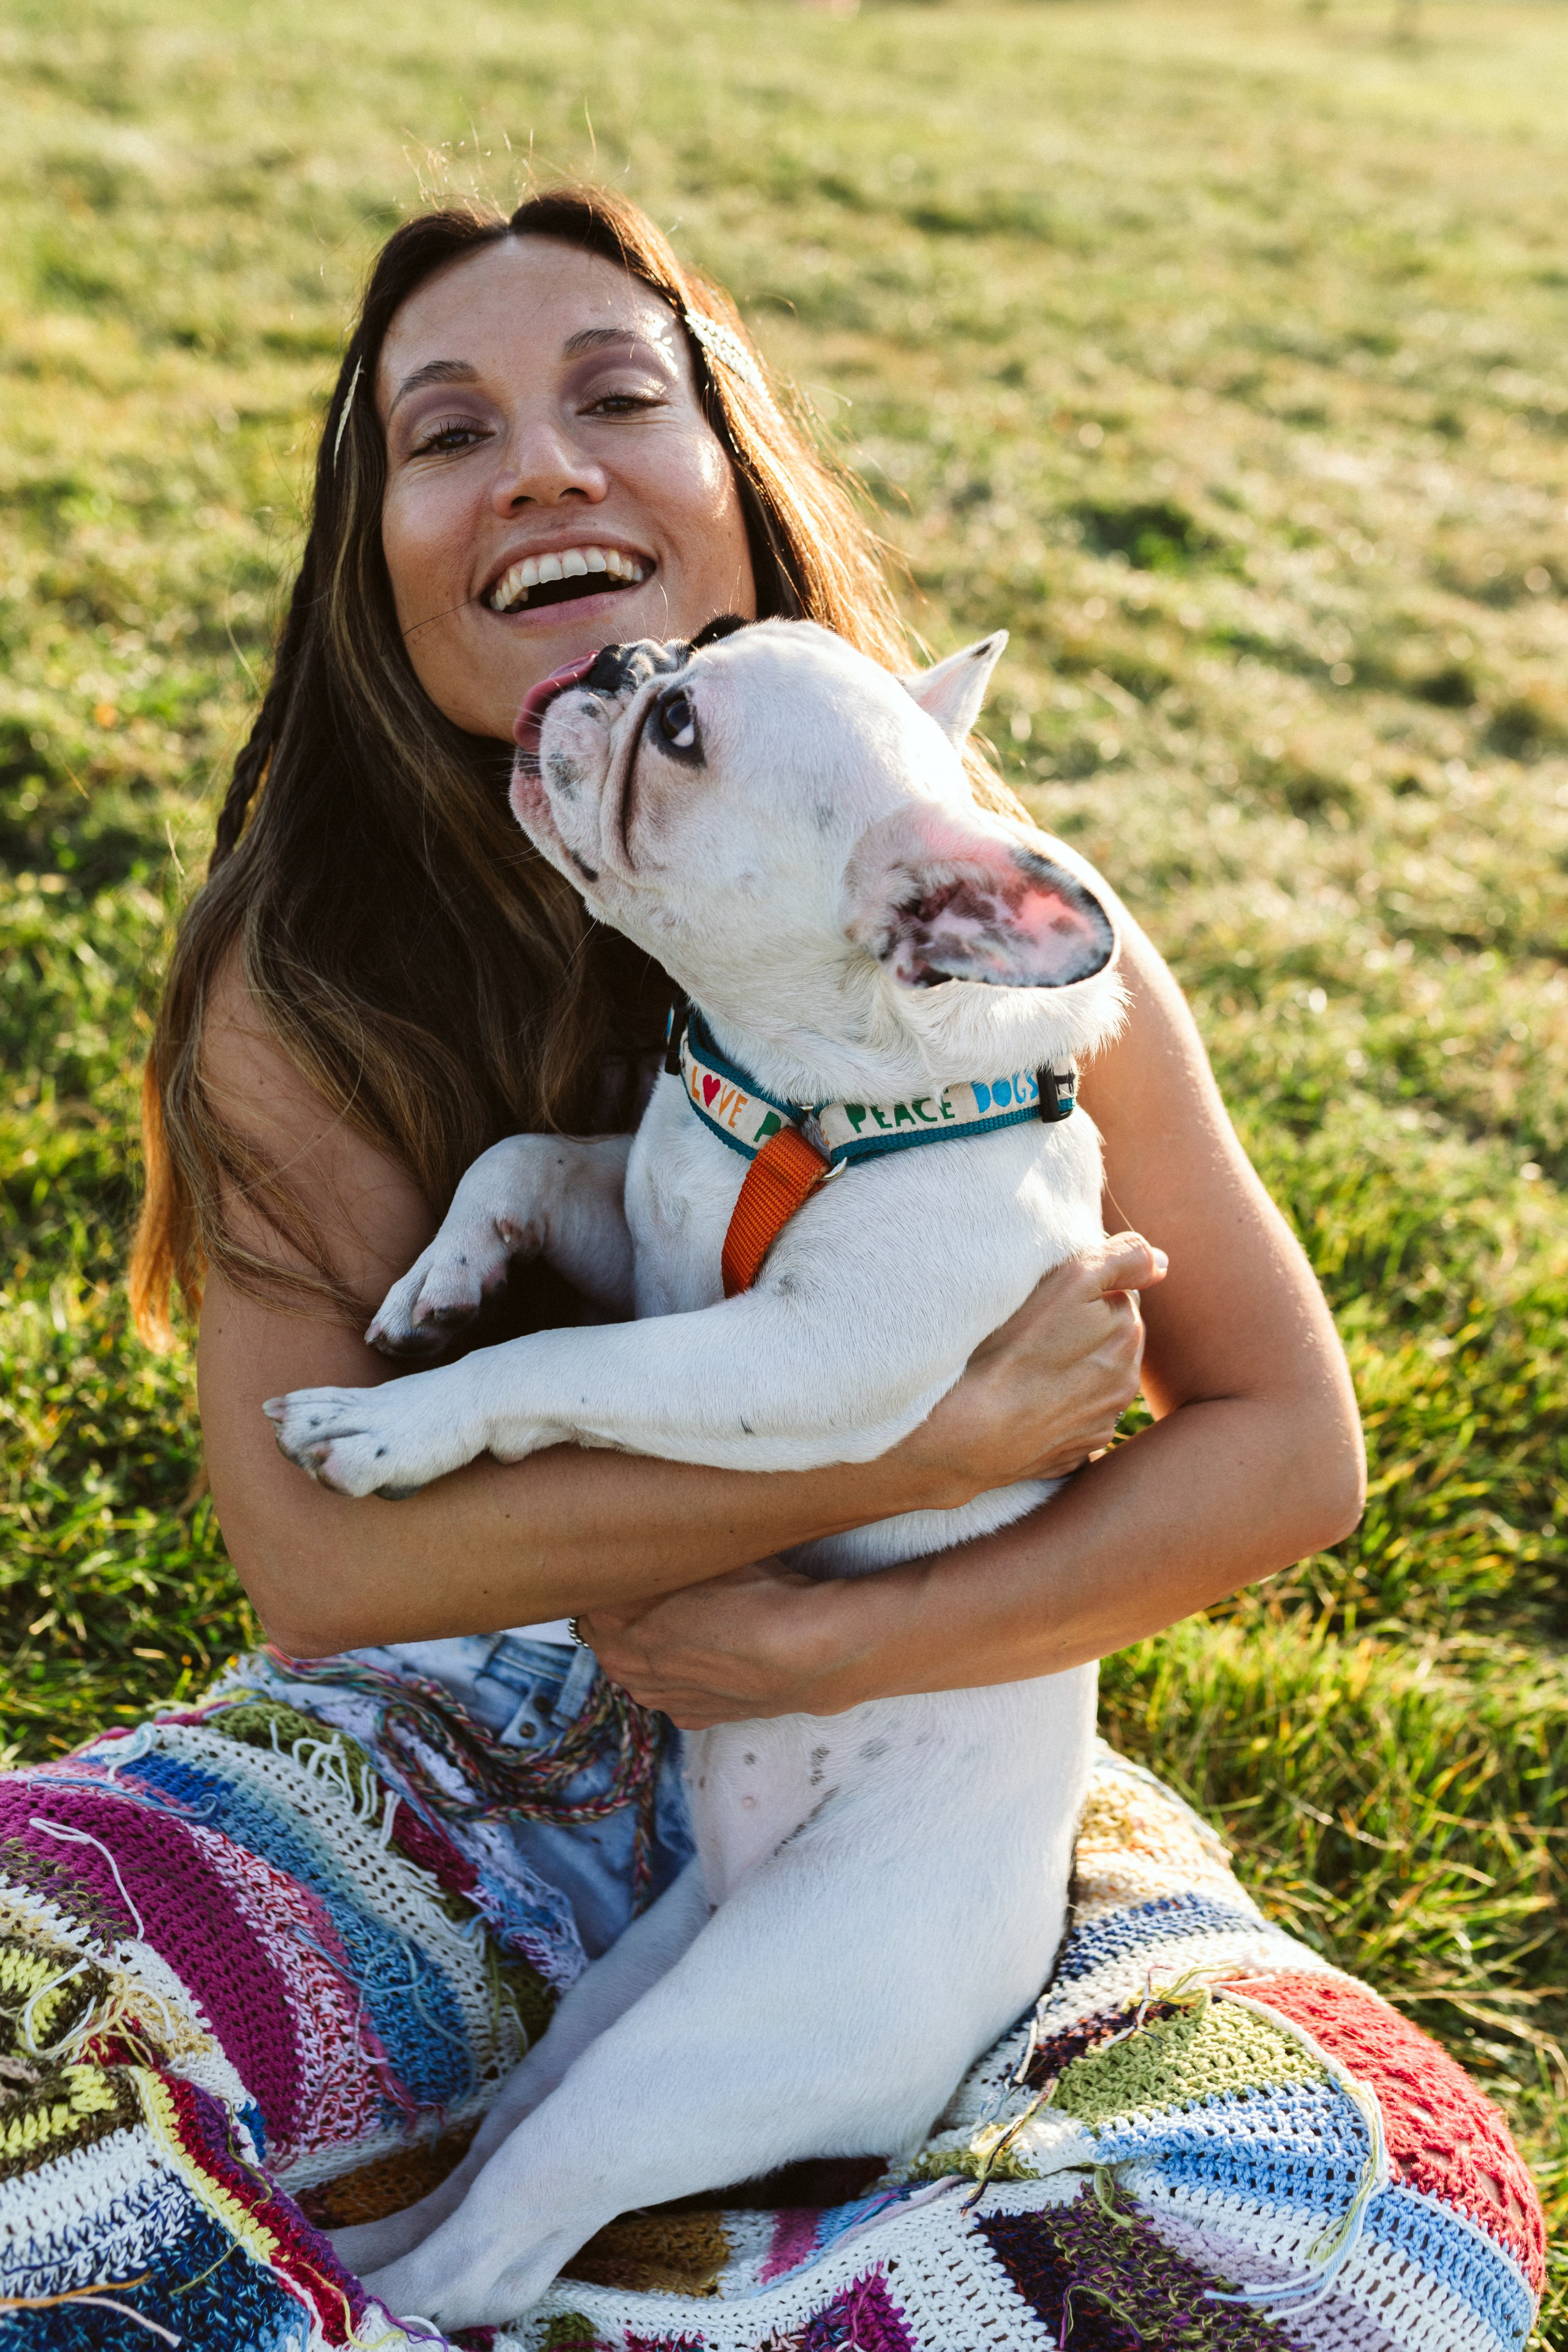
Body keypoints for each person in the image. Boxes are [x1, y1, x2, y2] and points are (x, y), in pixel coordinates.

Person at [2, 186, 1540, 2352]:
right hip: (449, 1749)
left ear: (743, 491)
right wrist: (908, 1440)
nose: (540, 462)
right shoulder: (311, 971)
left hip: (937, 1760)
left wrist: (863, 1630)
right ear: (371, 566)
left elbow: (1289, 1451)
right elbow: (323, 1573)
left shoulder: (985, 954)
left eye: (617, 398)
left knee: (1343, 2250)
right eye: (443, 435)